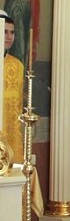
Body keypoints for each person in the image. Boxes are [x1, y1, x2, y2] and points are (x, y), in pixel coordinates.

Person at [2, 15, 25, 162]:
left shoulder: (17, 66)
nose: (9, 37)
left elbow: (18, 105)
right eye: (5, 32)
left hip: (10, 137)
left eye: (12, 32)